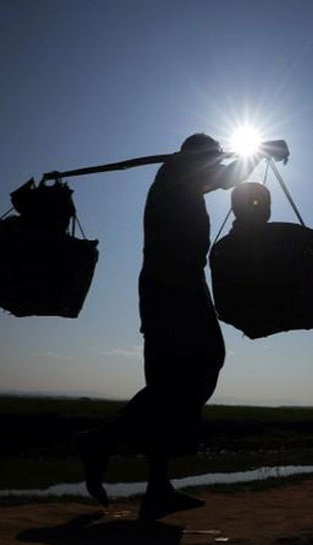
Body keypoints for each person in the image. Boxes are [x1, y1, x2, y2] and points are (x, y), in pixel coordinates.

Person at [79, 133, 282, 520]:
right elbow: (223, 177)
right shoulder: (175, 174)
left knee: (169, 383)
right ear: (196, 157)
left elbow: (218, 177)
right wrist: (258, 152)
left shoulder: (181, 181)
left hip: (172, 285)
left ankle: (156, 488)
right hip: (174, 286)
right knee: (201, 364)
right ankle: (102, 442)